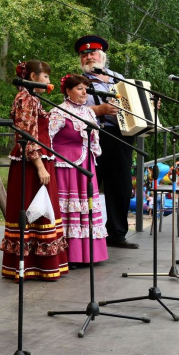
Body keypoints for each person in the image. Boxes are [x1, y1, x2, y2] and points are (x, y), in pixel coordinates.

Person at [0, 60, 69, 281]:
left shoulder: (33, 98)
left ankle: (39, 265)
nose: (48, 81)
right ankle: (31, 266)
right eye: (45, 76)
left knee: (43, 211)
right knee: (34, 210)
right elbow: (26, 135)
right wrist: (39, 166)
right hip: (31, 164)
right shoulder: (25, 99)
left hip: (40, 160)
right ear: (32, 76)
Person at [76, 35, 138, 249]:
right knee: (90, 185)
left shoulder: (117, 78)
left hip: (122, 137)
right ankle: (84, 235)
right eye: (84, 54)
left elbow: (133, 100)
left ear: (102, 55)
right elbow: (71, 109)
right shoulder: (77, 82)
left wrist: (147, 105)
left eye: (92, 53)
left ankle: (117, 234)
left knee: (121, 186)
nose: (88, 57)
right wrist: (99, 110)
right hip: (94, 136)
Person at [49, 74, 109, 264]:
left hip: (86, 164)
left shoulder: (88, 112)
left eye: (86, 89)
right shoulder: (59, 112)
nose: (84, 92)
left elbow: (93, 139)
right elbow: (46, 139)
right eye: (79, 88)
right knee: (70, 207)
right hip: (66, 166)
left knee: (86, 205)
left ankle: (88, 254)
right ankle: (69, 254)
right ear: (68, 91)